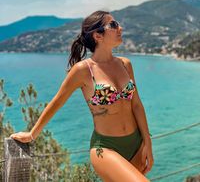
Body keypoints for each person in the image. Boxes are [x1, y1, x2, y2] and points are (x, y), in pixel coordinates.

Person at [10, 10, 154, 182]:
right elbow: (57, 102)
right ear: (97, 35)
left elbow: (136, 105)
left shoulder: (125, 64)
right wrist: (32, 134)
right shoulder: (83, 70)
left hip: (136, 144)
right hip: (106, 149)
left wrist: (147, 141)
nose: (120, 28)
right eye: (113, 25)